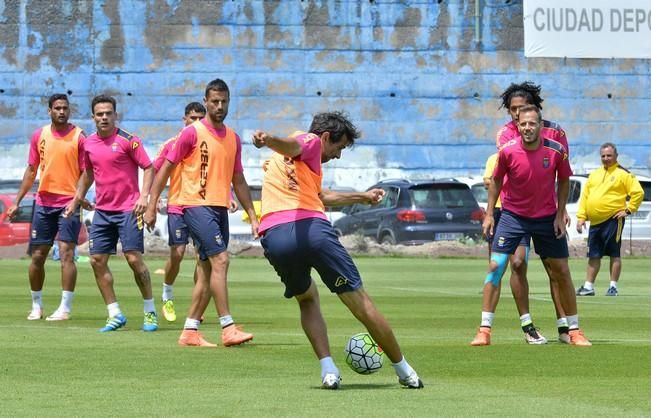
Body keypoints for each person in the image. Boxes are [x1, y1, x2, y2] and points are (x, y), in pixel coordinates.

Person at [252, 111, 424, 389]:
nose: (338, 155)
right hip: (313, 231)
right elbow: (293, 144)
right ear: (324, 137)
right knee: (360, 303)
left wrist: (362, 197)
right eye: (339, 147)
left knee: (307, 299)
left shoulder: (289, 164)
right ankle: (406, 372)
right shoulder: (306, 141)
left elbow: (322, 196)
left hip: (276, 237)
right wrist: (269, 139)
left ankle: (329, 370)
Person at [144, 78, 257, 347]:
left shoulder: (233, 138)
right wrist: (151, 204)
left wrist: (252, 215)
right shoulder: (191, 133)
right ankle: (228, 327)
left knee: (206, 270)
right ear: (206, 102)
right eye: (214, 101)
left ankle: (190, 331)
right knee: (221, 260)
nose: (219, 106)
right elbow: (166, 168)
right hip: (193, 205)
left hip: (218, 207)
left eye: (224, 102)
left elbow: (238, 179)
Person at [483, 104, 591, 346]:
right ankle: (484, 329)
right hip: (513, 217)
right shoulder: (507, 151)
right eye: (523, 124)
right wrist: (490, 213)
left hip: (545, 217)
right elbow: (497, 179)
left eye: (532, 123)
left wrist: (560, 213)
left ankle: (573, 330)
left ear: (541, 126)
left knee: (561, 271)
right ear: (517, 126)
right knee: (496, 266)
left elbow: (564, 180)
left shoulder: (556, 150)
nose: (528, 128)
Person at [471, 82, 568, 346]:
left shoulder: (556, 133)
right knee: (515, 264)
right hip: (512, 210)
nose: (515, 114)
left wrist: (562, 211)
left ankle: (565, 327)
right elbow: (507, 171)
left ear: (534, 107)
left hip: (546, 212)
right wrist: (490, 212)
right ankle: (527, 326)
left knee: (555, 268)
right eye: (512, 109)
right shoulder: (506, 134)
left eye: (520, 108)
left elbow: (561, 174)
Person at [64, 94, 158, 332]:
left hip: (128, 209)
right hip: (103, 212)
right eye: (99, 114)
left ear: (115, 115)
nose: (104, 117)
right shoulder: (88, 143)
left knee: (134, 258)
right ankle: (115, 313)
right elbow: (88, 173)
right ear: (93, 117)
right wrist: (76, 199)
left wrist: (143, 197)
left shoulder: (129, 140)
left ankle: (149, 311)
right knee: (97, 260)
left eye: (108, 113)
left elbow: (148, 167)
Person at [8, 93, 88, 321]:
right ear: (49, 110)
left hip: (68, 203)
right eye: (57, 108)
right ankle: (36, 306)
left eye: (65, 108)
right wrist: (17, 201)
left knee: (66, 254)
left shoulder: (79, 136)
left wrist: (78, 198)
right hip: (43, 203)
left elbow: (86, 172)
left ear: (69, 110)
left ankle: (64, 308)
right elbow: (31, 170)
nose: (62, 111)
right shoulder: (39, 136)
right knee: (37, 257)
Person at [575, 143, 644, 297]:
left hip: (613, 220)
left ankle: (613, 287)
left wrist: (628, 209)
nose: (606, 158)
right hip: (594, 223)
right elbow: (585, 197)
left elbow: (638, 192)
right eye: (603, 156)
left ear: (616, 156)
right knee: (593, 255)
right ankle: (588, 287)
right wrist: (581, 217)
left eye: (609, 156)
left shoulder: (623, 174)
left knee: (614, 253)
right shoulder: (595, 174)